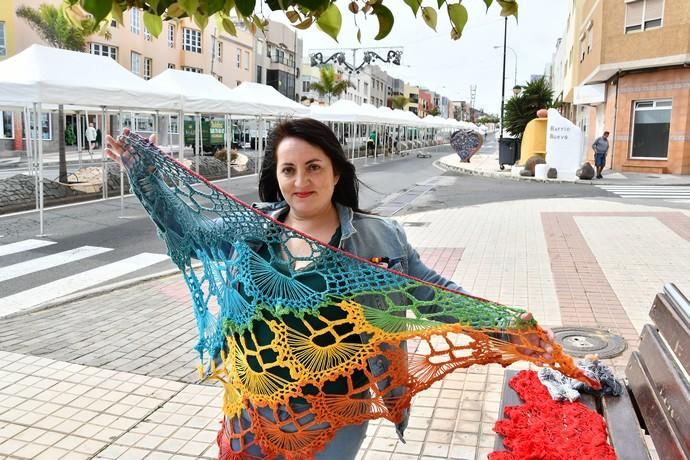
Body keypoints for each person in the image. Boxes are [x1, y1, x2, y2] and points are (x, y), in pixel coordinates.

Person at [105, 118, 554, 459]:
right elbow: (183, 230)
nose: (301, 182)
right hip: (253, 404)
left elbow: (433, 293)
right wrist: (143, 174)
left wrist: (507, 324)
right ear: (277, 176)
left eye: (314, 167)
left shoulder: (380, 238)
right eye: (289, 170)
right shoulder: (249, 230)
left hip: (337, 410)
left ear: (336, 172)